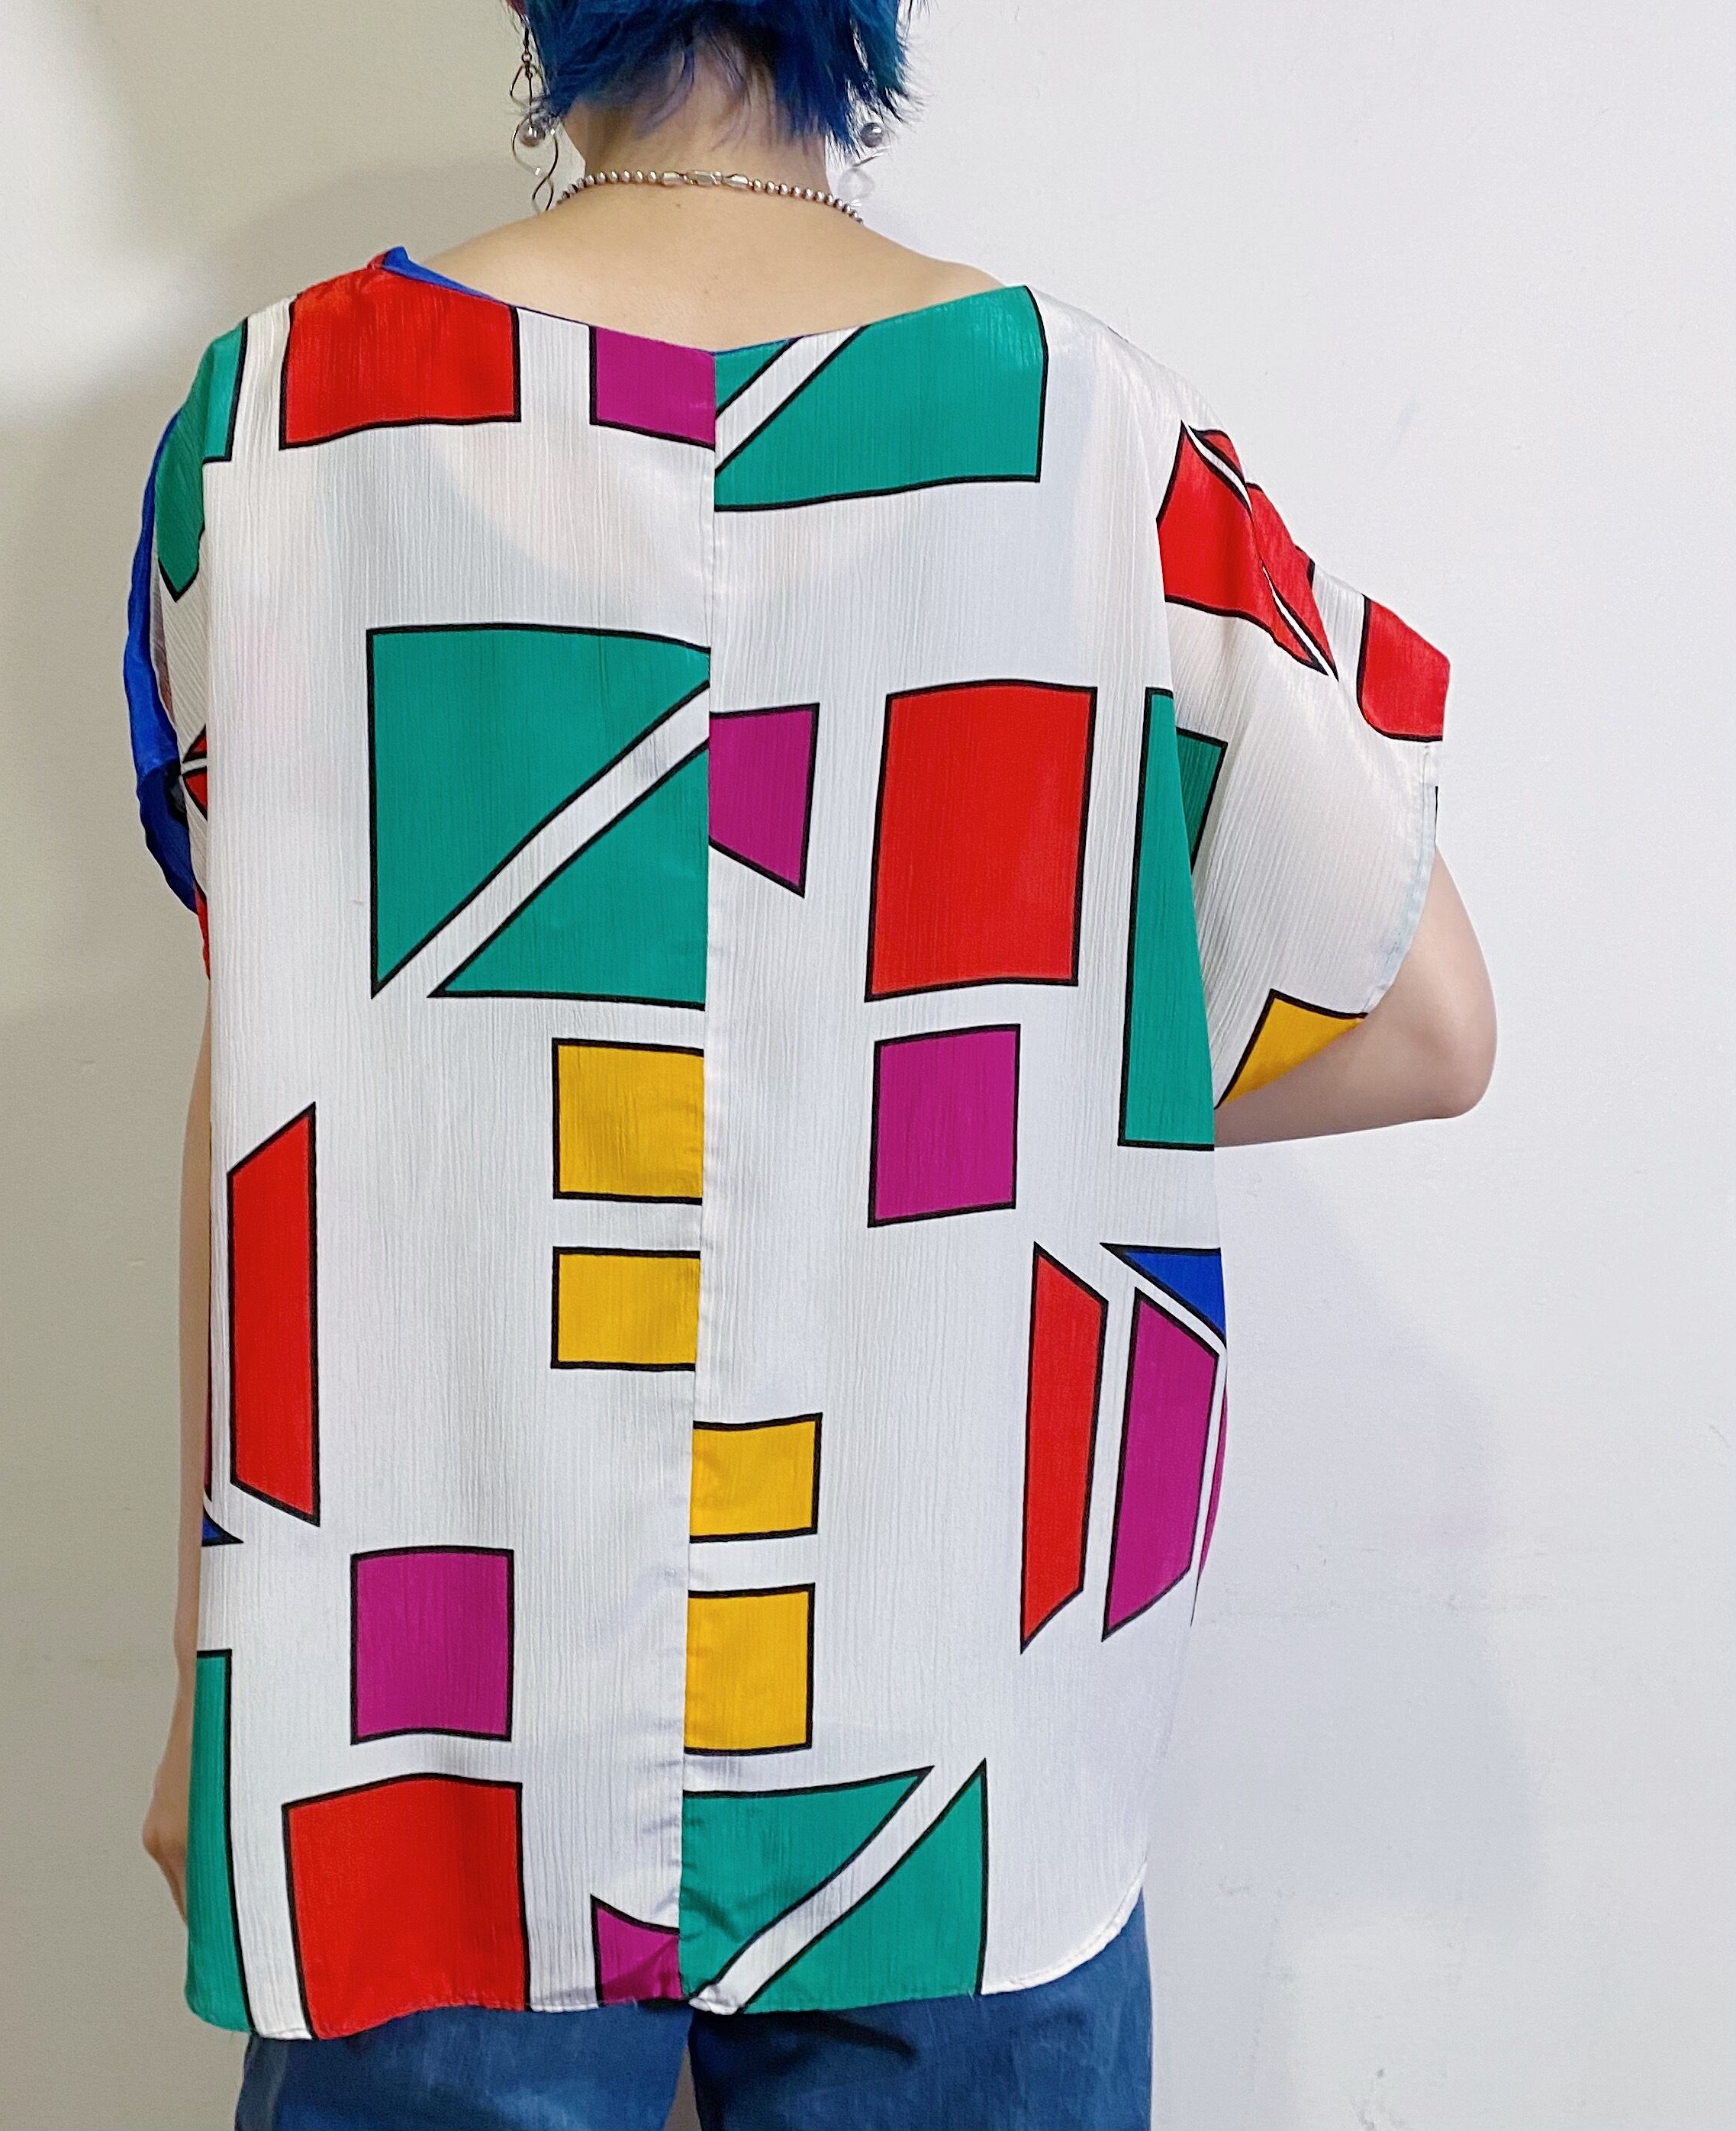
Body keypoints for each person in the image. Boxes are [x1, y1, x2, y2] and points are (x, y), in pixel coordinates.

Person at [121, 4, 1497, 2126]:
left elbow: (278, 1072)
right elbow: (1422, 1020)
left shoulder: (281, 426)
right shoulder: (1086, 437)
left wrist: (206, 1670)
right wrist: (1018, 1062)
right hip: (956, 1701)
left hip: (426, 1726)